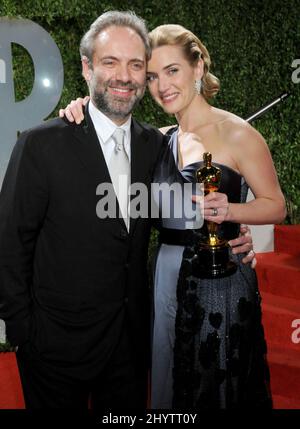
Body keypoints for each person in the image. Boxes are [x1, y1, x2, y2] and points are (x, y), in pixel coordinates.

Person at [59, 18, 270, 409]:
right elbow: (111, 133)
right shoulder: (158, 139)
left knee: (215, 380)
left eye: (172, 70)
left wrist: (232, 213)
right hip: (163, 274)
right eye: (152, 75)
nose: (162, 86)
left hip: (218, 278)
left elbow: (275, 204)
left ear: (198, 67)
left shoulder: (239, 133)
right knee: (168, 380)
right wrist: (82, 106)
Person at [0, 11, 165, 408]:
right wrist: (25, 334)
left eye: (135, 64)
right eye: (110, 62)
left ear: (145, 74)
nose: (123, 76)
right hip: (52, 349)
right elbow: (9, 242)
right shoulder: (41, 145)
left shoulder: (154, 147)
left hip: (128, 348)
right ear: (87, 68)